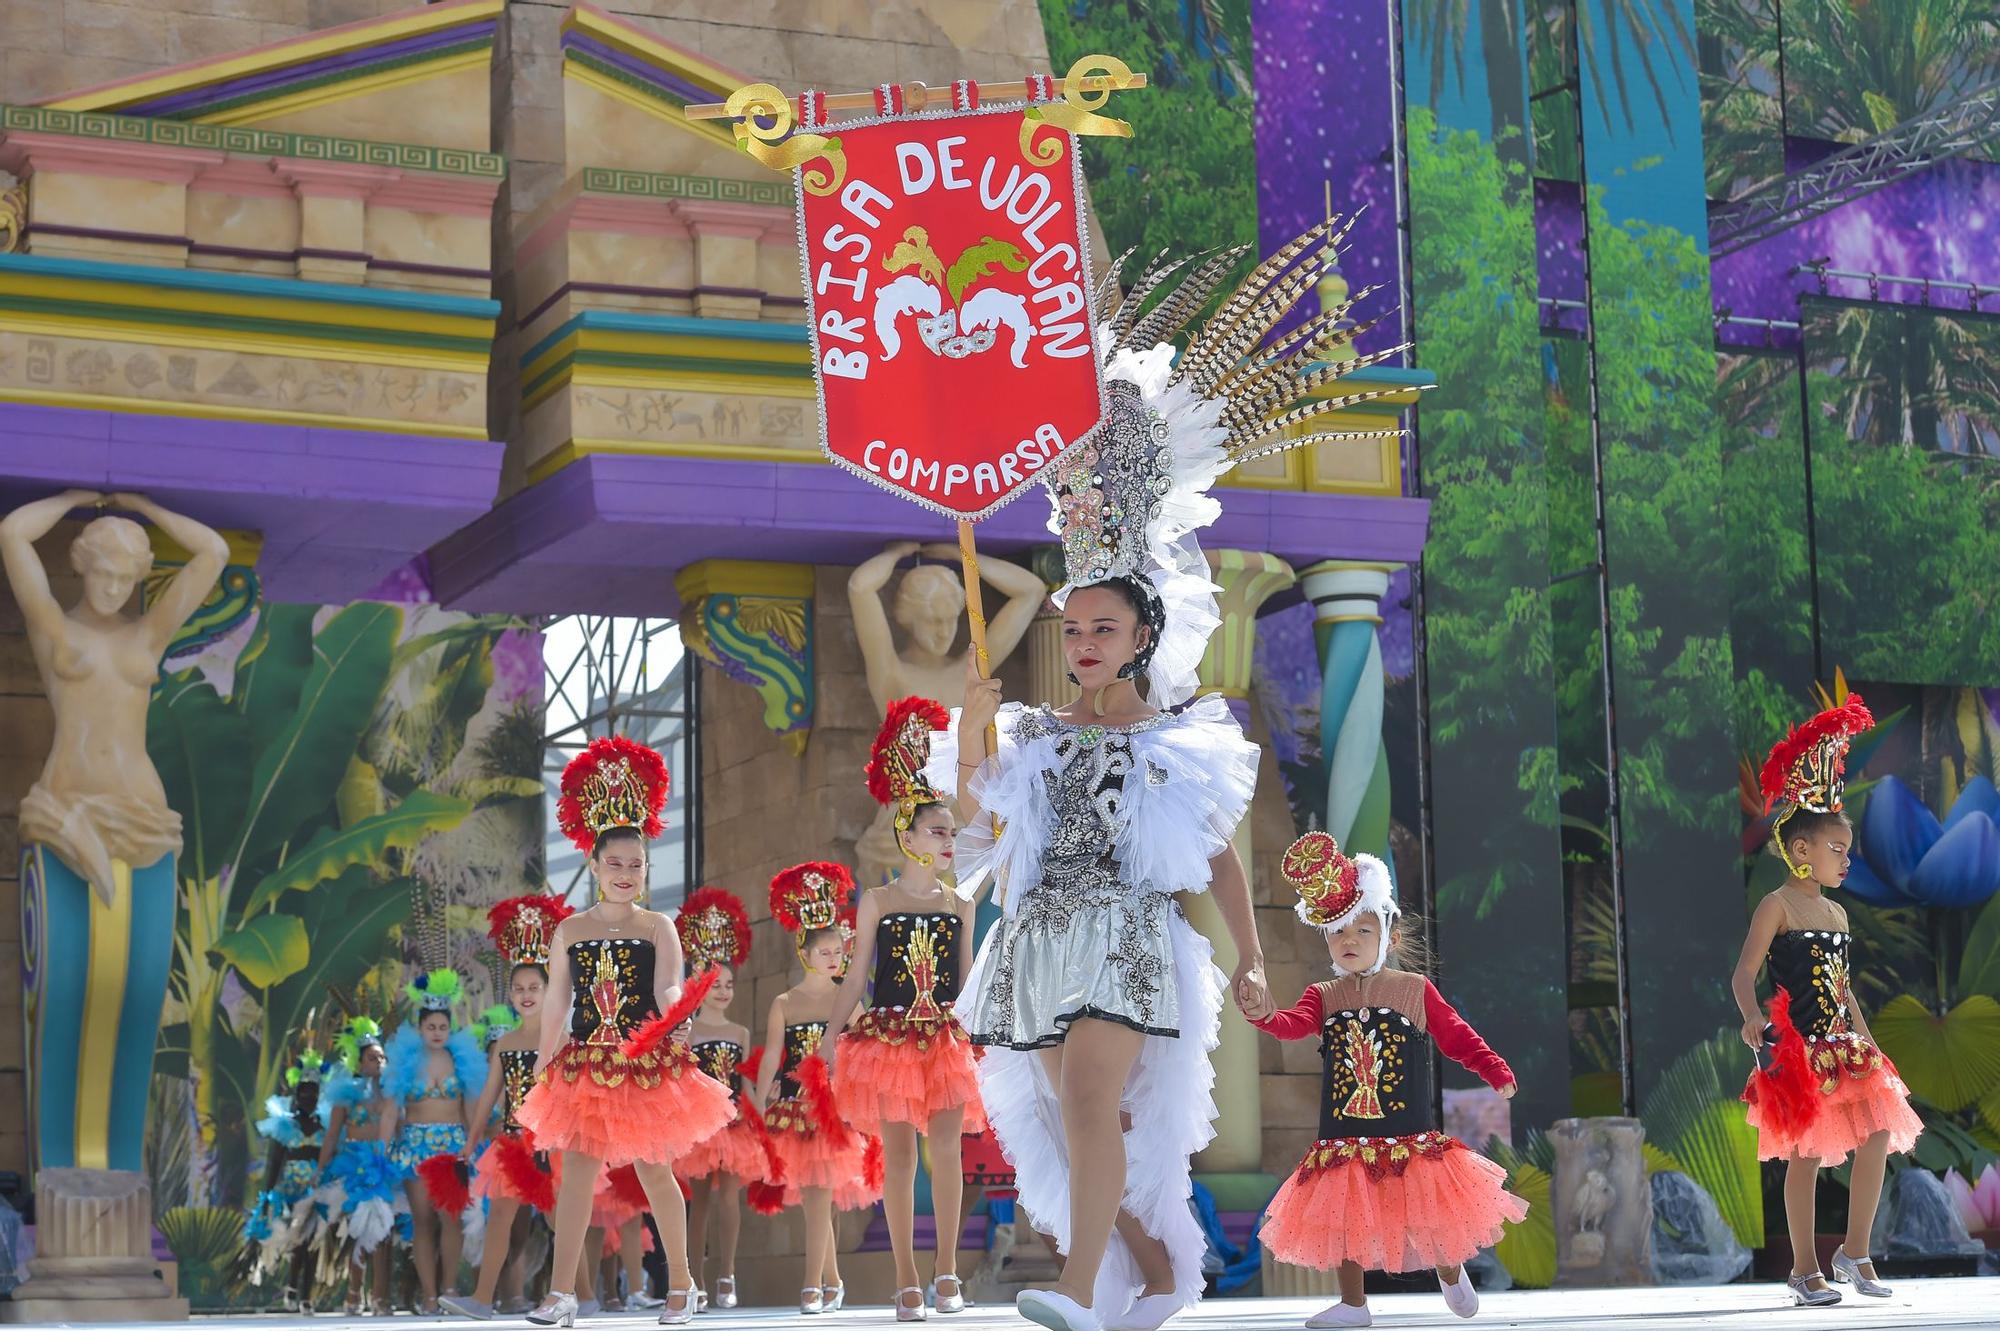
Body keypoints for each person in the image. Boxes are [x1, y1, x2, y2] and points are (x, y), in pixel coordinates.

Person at [1252, 834, 1525, 1328]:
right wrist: (1265, 1013)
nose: (1349, 941)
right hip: (1343, 1132)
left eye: (1361, 930)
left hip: (1406, 1129)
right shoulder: (1324, 994)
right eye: (1337, 933)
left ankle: (1448, 1267)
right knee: (1343, 1215)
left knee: (1424, 1210)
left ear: (1389, 936)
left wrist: (1493, 1069)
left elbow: (1457, 1037)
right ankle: (1354, 1304)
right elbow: (1291, 1024)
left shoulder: (1413, 990)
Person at [515, 735, 734, 1327]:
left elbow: (667, 985)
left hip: (641, 1061)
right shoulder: (570, 931)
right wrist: (542, 1064)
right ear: (593, 864)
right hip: (586, 1065)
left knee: (655, 1172)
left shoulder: (659, 924)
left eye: (635, 865)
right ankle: (561, 1295)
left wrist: (678, 1013)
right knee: (578, 1179)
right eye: (614, 863)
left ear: (645, 868)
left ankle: (683, 1285)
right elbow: (557, 1003)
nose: (625, 873)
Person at [1735, 696, 1921, 1307]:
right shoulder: (1778, 906)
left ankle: (1856, 1250)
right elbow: (1743, 975)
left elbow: (1842, 988)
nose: (1847, 859)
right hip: (1799, 1049)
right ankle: (1804, 1269)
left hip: (1843, 1044)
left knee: (1877, 1134)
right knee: (1808, 1156)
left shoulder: (1838, 912)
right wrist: (1754, 1020)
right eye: (1838, 849)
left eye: (1847, 849)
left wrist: (1867, 1039)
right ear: (1801, 850)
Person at [826, 696, 983, 1321]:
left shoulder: (960, 903)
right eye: (937, 831)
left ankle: (947, 1270)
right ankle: (905, 1278)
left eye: (951, 831)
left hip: (943, 1037)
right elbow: (858, 975)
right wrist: (829, 1036)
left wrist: (981, 1037)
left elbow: (966, 980)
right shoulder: (878, 900)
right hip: (886, 1039)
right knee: (897, 1157)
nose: (948, 840)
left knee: (945, 1150)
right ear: (907, 835)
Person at [443, 896, 574, 1320]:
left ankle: (584, 1293)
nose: (526, 995)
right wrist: (471, 1140)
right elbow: (490, 1097)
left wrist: (555, 1139)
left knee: (562, 1221)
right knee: (500, 1216)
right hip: (514, 1143)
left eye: (534, 987)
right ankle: (482, 1300)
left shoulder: (562, 1037)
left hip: (552, 1143)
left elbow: (569, 1094)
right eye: (518, 989)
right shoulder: (506, 1042)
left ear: (549, 989)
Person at [756, 862, 873, 1315]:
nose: (834, 958)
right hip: (793, 1108)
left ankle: (813, 1284)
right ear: (804, 952)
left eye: (839, 951)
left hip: (836, 1110)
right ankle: (831, 1279)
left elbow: (865, 1050)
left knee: (818, 1194)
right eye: (825, 951)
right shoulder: (784, 1002)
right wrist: (760, 1096)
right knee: (811, 1195)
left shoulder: (849, 999)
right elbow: (772, 1055)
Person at [675, 887, 769, 1312]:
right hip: (698, 1126)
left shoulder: (740, 1032)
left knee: (730, 1197)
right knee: (700, 1202)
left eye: (729, 984)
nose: (724, 990)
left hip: (732, 1124)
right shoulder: (688, 1030)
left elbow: (746, 1081)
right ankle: (692, 1278)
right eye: (716, 983)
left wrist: (761, 1111)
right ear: (700, 983)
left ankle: (727, 1275)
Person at [385, 969, 487, 1312]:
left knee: (451, 1218)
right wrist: (383, 1146)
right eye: (431, 1026)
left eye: (443, 1026)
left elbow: (471, 1108)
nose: (437, 1032)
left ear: (450, 1027)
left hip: (453, 1147)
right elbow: (390, 1108)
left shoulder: (461, 1059)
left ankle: (449, 1288)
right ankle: (429, 1295)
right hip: (415, 1146)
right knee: (423, 1220)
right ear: (420, 1027)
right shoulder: (405, 1061)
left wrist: (473, 1146)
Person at [318, 1018, 403, 1316]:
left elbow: (401, 1130)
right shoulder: (346, 1095)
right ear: (359, 1061)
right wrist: (320, 1168)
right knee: (359, 1229)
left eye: (382, 1057)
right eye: (372, 1057)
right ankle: (354, 1293)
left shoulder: (393, 1094)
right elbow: (332, 1136)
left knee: (384, 1231)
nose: (378, 1061)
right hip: (354, 1166)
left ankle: (381, 1297)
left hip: (384, 1165)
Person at [245, 1049, 333, 1309]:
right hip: (292, 1189)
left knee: (312, 1239)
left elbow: (331, 1157)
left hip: (316, 1187)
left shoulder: (326, 1126)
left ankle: (305, 1294)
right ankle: (294, 1286)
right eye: (303, 1091)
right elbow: (275, 1162)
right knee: (298, 1239)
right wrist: (267, 1196)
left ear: (319, 1095)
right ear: (296, 1094)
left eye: (313, 1091)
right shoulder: (285, 1125)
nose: (308, 1096)